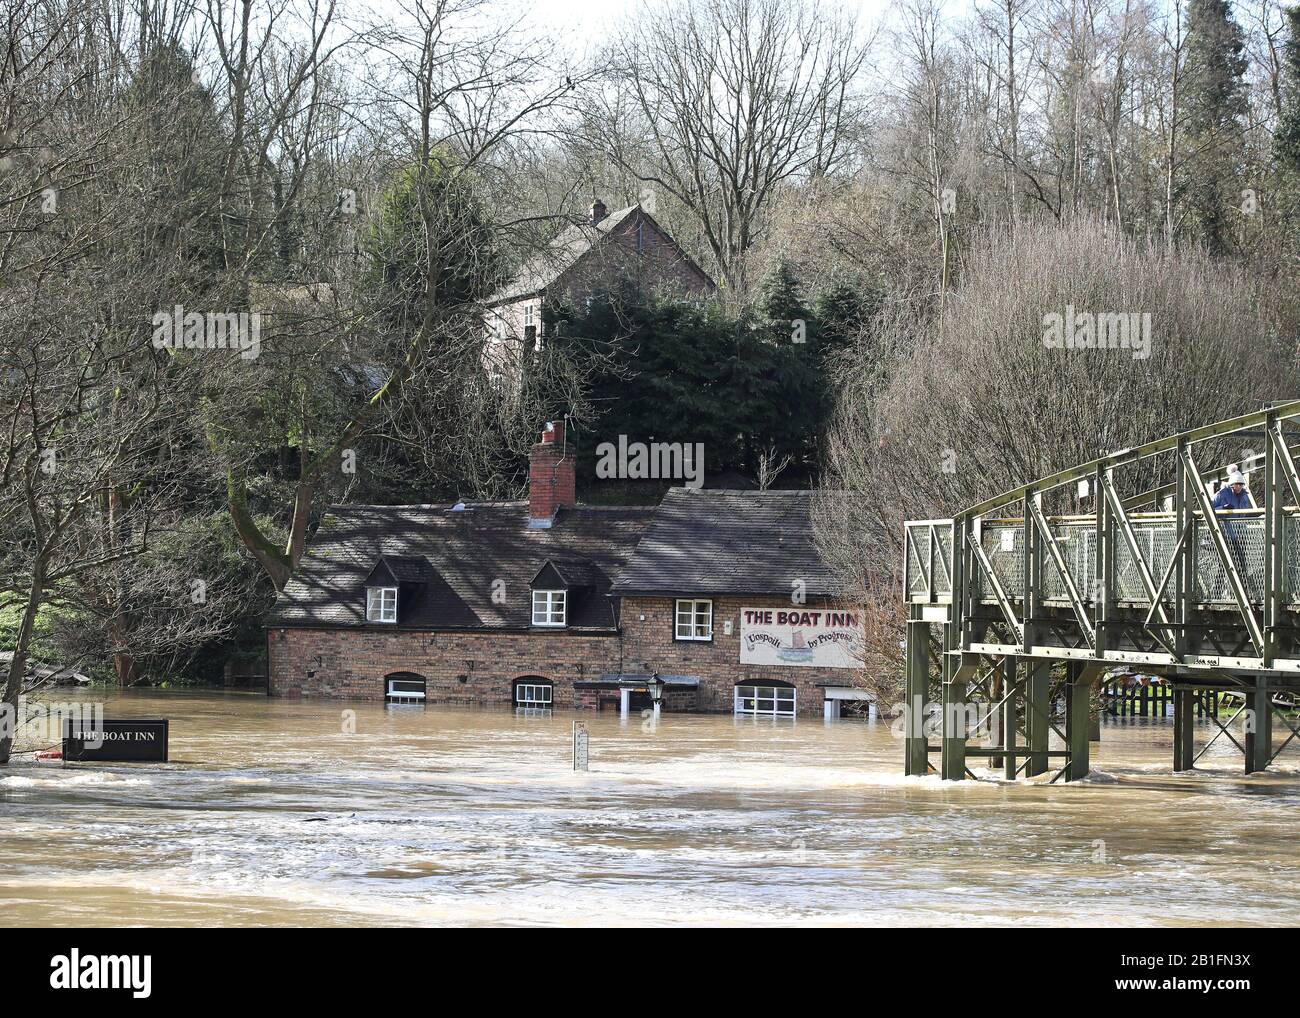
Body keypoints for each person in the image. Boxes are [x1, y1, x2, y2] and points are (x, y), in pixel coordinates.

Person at [1211, 469, 1254, 599]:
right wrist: (1223, 508)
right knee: (1224, 564)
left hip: (1240, 534)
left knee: (1241, 563)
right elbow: (1208, 508)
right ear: (1231, 484)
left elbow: (1247, 512)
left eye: (1241, 484)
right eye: (1237, 484)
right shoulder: (1222, 494)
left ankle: (1242, 592)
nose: (1239, 487)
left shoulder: (1244, 496)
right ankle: (1217, 592)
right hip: (1226, 533)